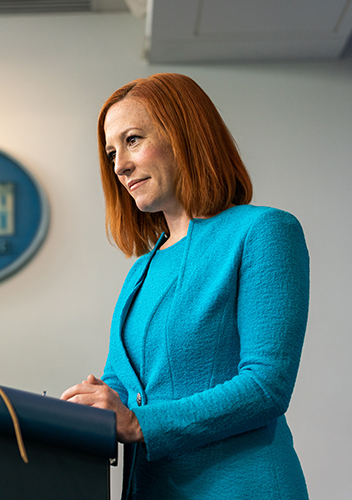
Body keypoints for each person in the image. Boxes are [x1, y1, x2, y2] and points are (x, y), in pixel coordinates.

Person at [60, 73, 309, 499]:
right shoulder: (142, 268)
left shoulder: (262, 231)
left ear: (185, 135)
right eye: (111, 152)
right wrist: (85, 408)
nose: (119, 165)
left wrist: (139, 423)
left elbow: (267, 385)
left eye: (133, 140)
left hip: (240, 487)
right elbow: (123, 385)